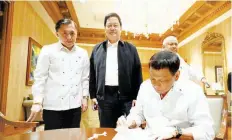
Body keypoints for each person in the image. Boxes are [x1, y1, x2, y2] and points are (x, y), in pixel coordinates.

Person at [117, 51, 215, 140]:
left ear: (176, 76)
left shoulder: (193, 91)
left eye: (162, 80)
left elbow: (207, 131)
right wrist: (130, 122)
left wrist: (177, 132)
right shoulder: (145, 87)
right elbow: (138, 113)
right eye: (152, 79)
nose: (156, 85)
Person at [27, 19, 90, 130]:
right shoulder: (47, 50)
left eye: (72, 33)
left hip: (74, 106)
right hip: (52, 106)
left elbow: (85, 78)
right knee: (52, 137)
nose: (69, 37)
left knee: (72, 136)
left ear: (76, 33)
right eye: (64, 33)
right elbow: (40, 78)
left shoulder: (83, 53)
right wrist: (37, 102)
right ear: (57, 34)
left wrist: (85, 97)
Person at [89, 13, 143, 128]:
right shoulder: (97, 49)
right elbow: (92, 74)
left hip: (126, 98)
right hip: (104, 97)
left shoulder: (131, 49)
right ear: (105, 29)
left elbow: (137, 74)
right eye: (109, 25)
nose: (112, 28)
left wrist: (137, 97)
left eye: (115, 25)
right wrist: (93, 95)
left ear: (121, 28)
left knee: (127, 129)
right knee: (106, 128)